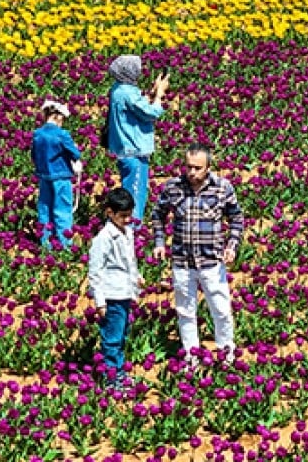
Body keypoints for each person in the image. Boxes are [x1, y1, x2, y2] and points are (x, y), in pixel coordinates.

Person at [152, 144, 245, 363]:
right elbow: (158, 214)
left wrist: (231, 246)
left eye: (197, 168)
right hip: (182, 261)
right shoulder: (173, 187)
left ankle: (226, 355)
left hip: (211, 260)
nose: (192, 172)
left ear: (208, 167)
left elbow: (236, 219)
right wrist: (159, 241)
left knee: (221, 310)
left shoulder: (222, 188)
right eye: (188, 167)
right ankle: (191, 358)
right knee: (185, 312)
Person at [88, 188, 144, 389]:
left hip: (125, 292)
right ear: (109, 213)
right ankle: (111, 377)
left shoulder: (128, 232)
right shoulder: (103, 239)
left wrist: (137, 277)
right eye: (123, 216)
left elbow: (130, 261)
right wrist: (100, 301)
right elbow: (95, 272)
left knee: (121, 335)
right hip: (111, 295)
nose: (128, 220)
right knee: (111, 337)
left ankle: (118, 372)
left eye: (130, 215)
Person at [105, 55, 168, 225]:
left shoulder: (117, 89)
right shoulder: (128, 92)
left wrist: (153, 93)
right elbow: (150, 113)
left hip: (123, 150)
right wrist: (160, 96)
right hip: (135, 151)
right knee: (135, 195)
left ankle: (124, 226)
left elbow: (137, 108)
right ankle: (132, 228)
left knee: (127, 189)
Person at [32, 100, 84, 249]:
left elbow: (34, 156)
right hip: (61, 177)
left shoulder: (37, 134)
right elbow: (75, 153)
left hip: (44, 177)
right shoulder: (62, 135)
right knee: (62, 210)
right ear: (57, 116)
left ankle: (45, 243)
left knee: (44, 209)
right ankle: (64, 244)